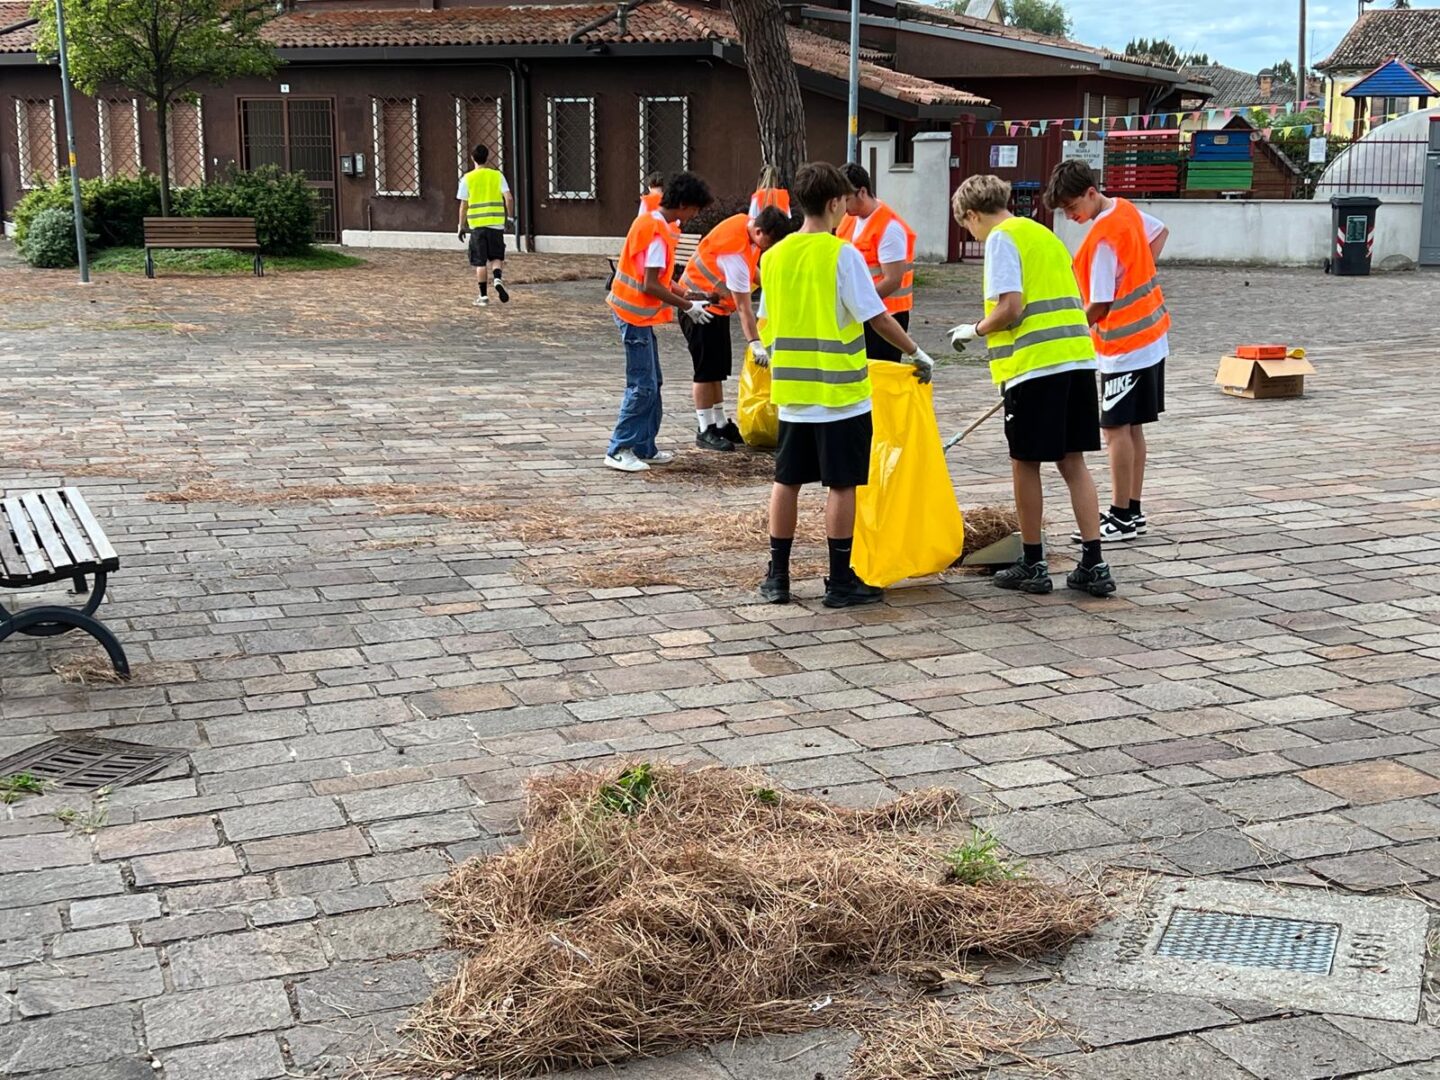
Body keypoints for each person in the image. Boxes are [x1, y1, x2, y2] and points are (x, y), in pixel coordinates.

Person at [758, 162, 935, 609]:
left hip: (793, 395)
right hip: (839, 395)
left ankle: (777, 577)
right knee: (842, 484)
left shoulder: (773, 256)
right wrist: (916, 352)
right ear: (836, 203)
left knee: (787, 481)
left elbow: (765, 324)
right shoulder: (842, 255)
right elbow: (875, 313)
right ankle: (840, 581)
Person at [948, 174, 1115, 598]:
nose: (972, 234)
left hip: (1035, 367)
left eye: (968, 226)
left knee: (1025, 462)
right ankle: (1094, 564)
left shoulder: (1002, 239)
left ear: (972, 215)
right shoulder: (1044, 235)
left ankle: (1033, 560)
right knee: (1073, 462)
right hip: (1076, 361)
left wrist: (976, 329)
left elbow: (1011, 307)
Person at [1043, 159, 1170, 543]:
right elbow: (1160, 232)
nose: (1071, 216)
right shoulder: (1125, 209)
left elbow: (1098, 304)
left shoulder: (1101, 238)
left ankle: (1119, 516)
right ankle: (1133, 509)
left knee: (1115, 429)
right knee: (1133, 428)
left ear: (1091, 193)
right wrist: (1139, 272)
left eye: (1072, 207)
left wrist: (1072, 333)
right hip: (1152, 334)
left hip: (1124, 345)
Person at [604, 172, 717, 474]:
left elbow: (662, 281)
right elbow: (650, 286)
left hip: (634, 314)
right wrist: (687, 306)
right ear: (682, 204)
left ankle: (642, 446)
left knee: (652, 383)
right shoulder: (656, 232)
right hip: (633, 314)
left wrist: (693, 295)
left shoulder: (655, 223)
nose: (694, 216)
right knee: (643, 385)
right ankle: (619, 448)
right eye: (694, 210)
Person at [677, 206, 794, 451]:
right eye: (769, 243)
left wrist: (776, 286)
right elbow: (744, 308)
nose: (767, 249)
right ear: (760, 231)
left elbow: (754, 272)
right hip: (698, 310)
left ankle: (719, 423)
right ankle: (704, 428)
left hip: (716, 308)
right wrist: (755, 342)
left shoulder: (744, 226)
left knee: (717, 370)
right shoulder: (735, 254)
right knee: (705, 371)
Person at [837, 163, 916, 362]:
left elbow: (893, 280)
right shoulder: (849, 219)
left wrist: (859, 303)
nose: (842, 206)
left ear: (862, 192)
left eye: (846, 199)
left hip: (888, 317)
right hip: (861, 313)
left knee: (881, 379)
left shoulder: (889, 227)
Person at [457, 144, 513, 307]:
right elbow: (508, 198)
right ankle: (497, 278)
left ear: (473, 158)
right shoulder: (497, 175)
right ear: (487, 157)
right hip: (496, 224)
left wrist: (461, 226)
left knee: (480, 262)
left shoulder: (467, 178)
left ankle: (483, 297)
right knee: (496, 256)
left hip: (477, 226)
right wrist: (509, 219)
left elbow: (463, 205)